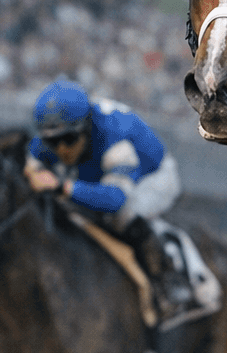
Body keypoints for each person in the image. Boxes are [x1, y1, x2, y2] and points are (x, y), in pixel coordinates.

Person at [24, 81, 199, 331]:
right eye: (53, 141)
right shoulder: (55, 131)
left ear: (85, 126)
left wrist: (63, 187)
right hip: (98, 175)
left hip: (154, 178)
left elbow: (115, 200)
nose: (61, 149)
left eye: (69, 139)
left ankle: (168, 281)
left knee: (122, 215)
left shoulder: (115, 134)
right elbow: (28, 168)